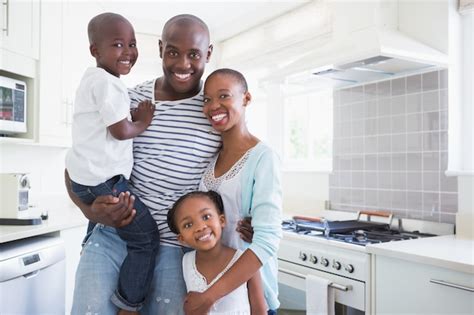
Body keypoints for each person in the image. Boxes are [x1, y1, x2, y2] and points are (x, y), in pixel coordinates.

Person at [66, 14, 220, 315]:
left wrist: (248, 221)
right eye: (173, 51)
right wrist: (88, 210)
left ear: (209, 54)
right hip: (113, 235)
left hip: (177, 247)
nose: (182, 64)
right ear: (161, 48)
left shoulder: (214, 110)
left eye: (194, 54)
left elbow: (235, 174)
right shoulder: (128, 99)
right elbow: (77, 165)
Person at [65, 12, 160, 313]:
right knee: (146, 239)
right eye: (118, 44)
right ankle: (129, 304)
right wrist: (142, 121)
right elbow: (120, 131)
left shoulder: (91, 80)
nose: (128, 52)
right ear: (96, 51)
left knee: (120, 225)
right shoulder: (110, 85)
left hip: (85, 178)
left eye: (132, 44)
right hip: (105, 181)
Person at [184, 68, 282, 315]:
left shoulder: (263, 158)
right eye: (207, 100)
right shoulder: (210, 160)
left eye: (224, 96)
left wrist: (208, 297)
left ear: (246, 99)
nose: (213, 106)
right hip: (215, 298)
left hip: (248, 300)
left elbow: (267, 241)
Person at [167, 190, 267, 315]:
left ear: (222, 220)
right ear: (182, 239)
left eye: (206, 217)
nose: (200, 227)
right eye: (188, 225)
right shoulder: (186, 261)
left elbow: (259, 310)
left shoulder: (244, 259)